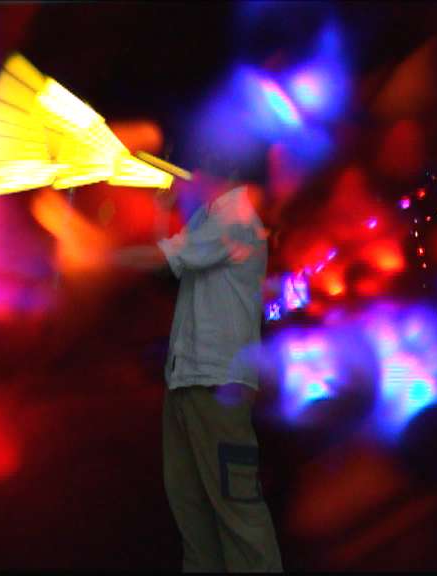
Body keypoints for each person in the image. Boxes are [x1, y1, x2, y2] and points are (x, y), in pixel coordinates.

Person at [113, 148, 283, 572]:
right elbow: (170, 262)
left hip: (218, 380)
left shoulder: (234, 221)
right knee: (195, 505)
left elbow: (163, 260)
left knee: (231, 505)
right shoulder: (214, 221)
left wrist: (104, 257)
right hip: (193, 377)